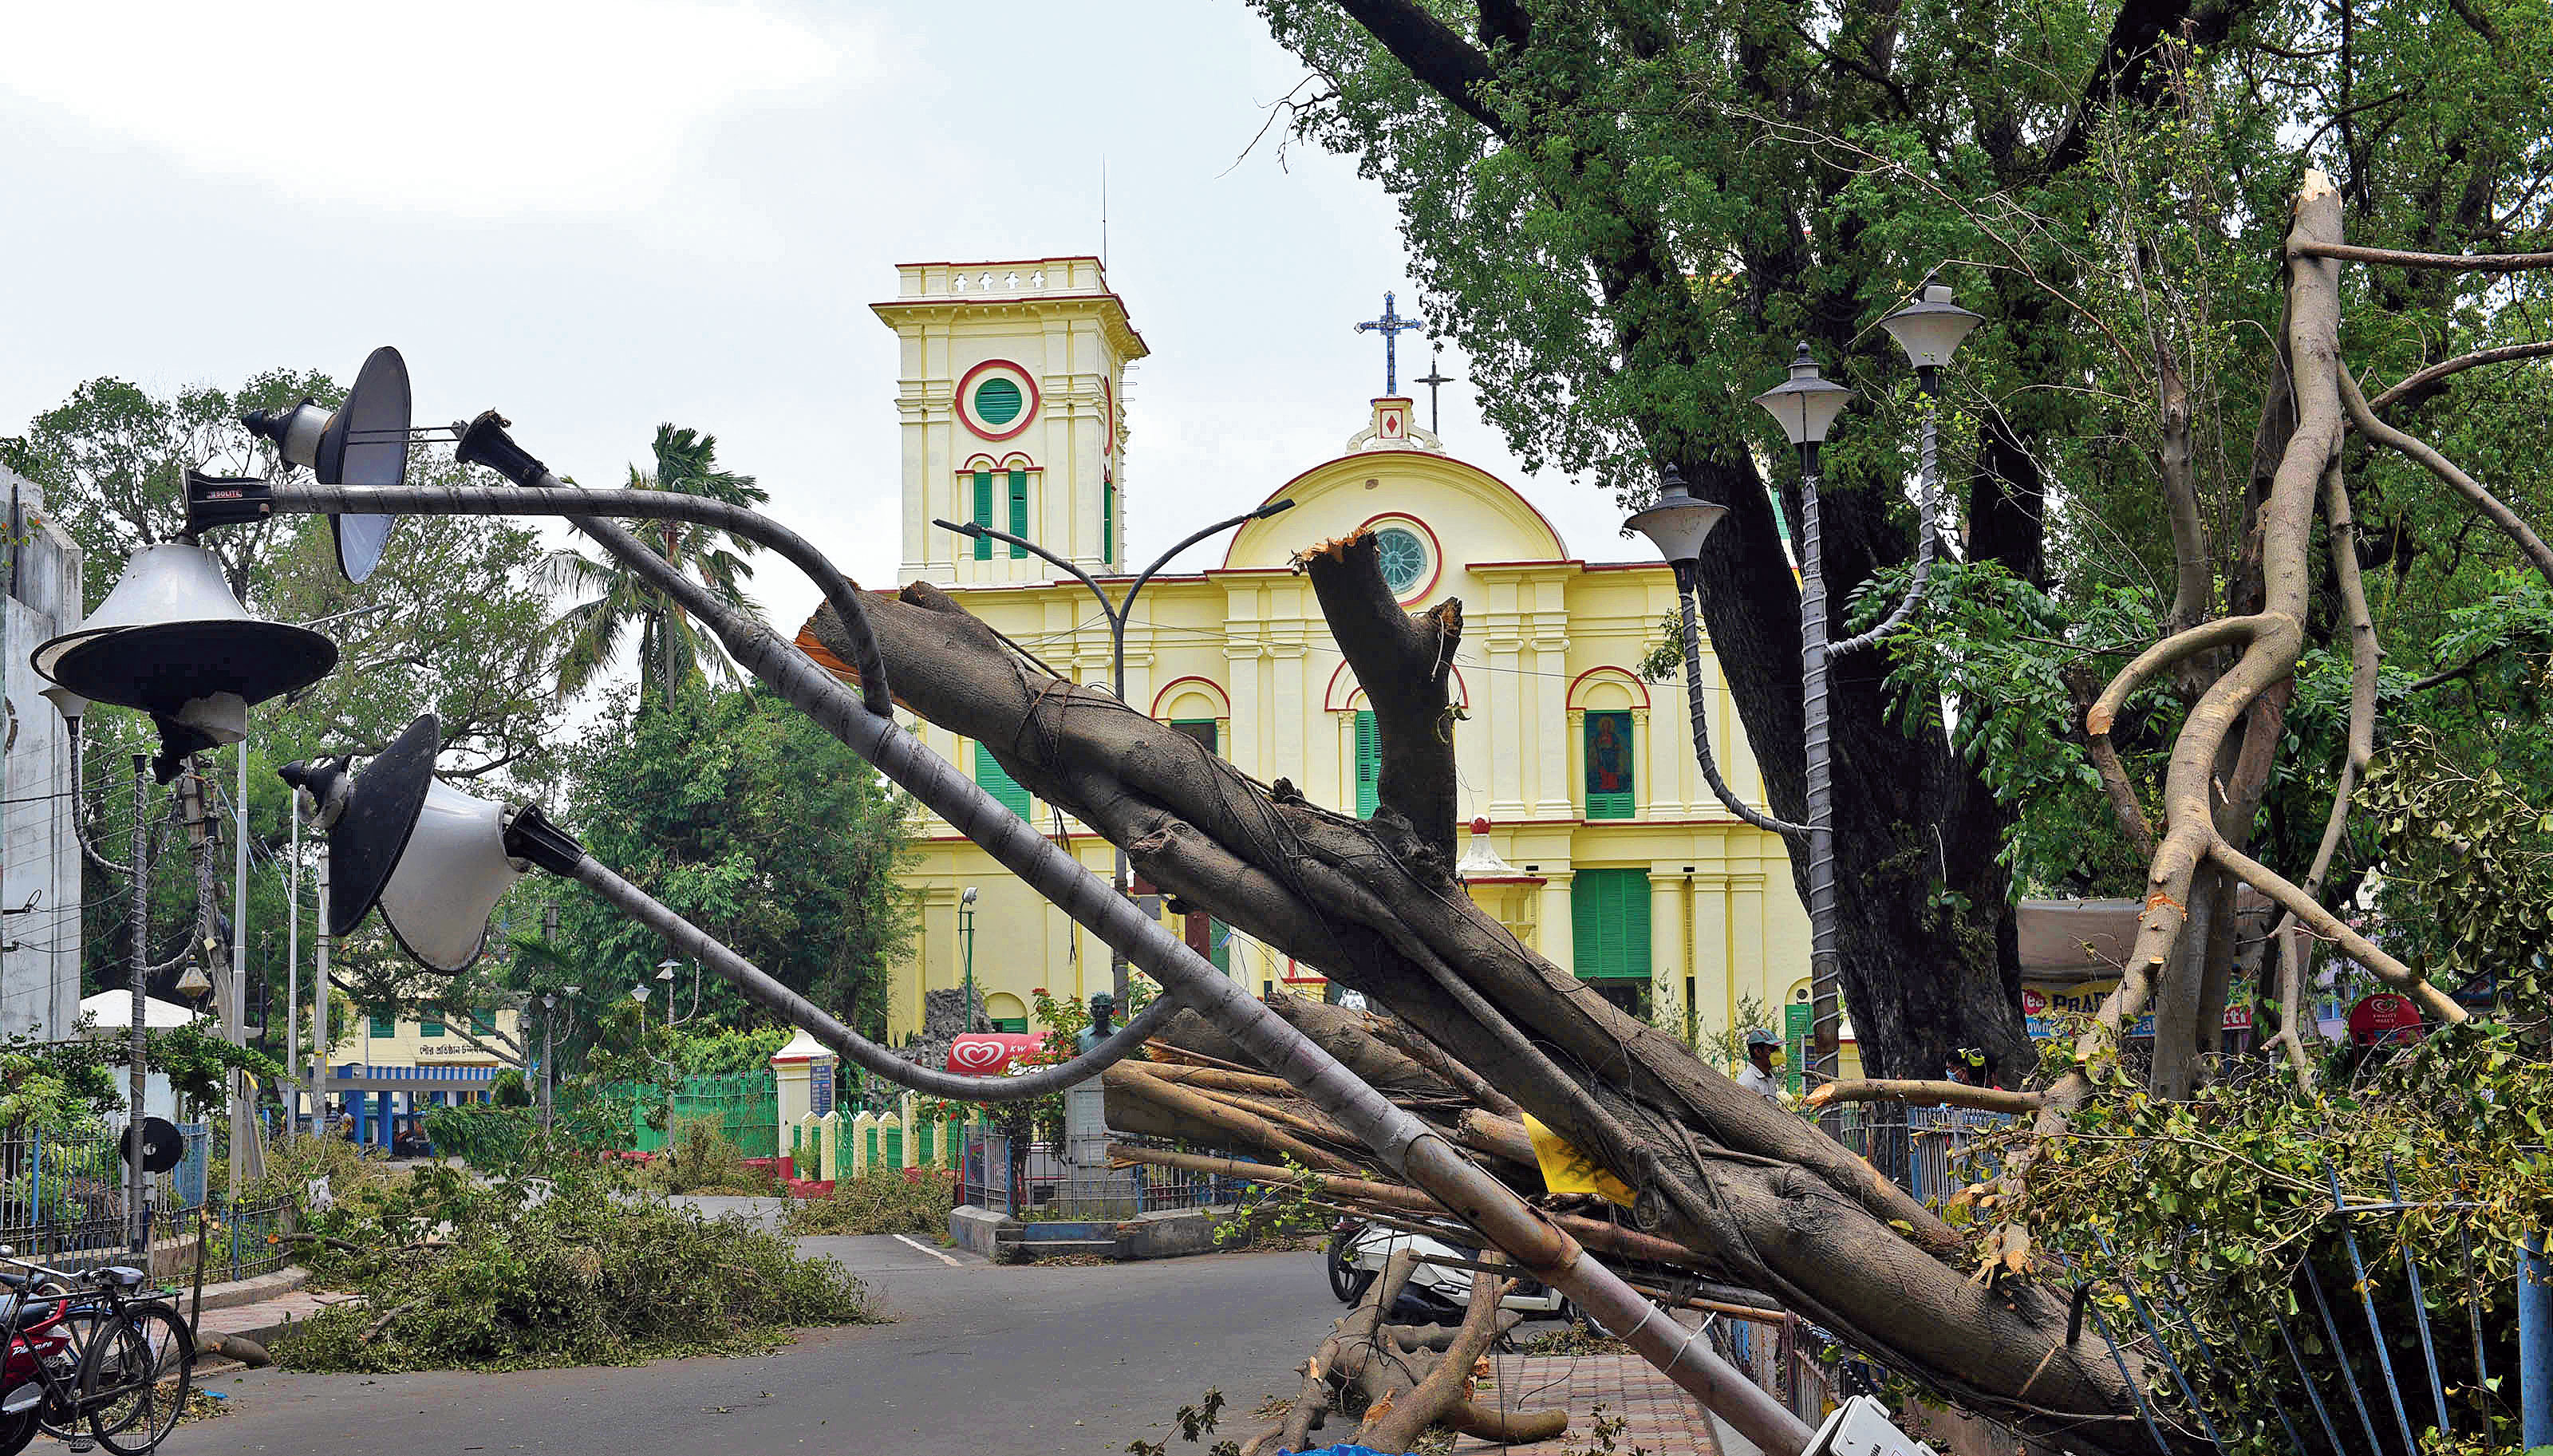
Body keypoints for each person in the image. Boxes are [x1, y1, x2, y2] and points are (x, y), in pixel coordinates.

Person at [1736, 1028, 1784, 1099]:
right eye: (1771, 1050)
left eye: (1777, 1050)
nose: (1777, 1054)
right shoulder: (1747, 1084)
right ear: (1758, 1051)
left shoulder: (1771, 1078)